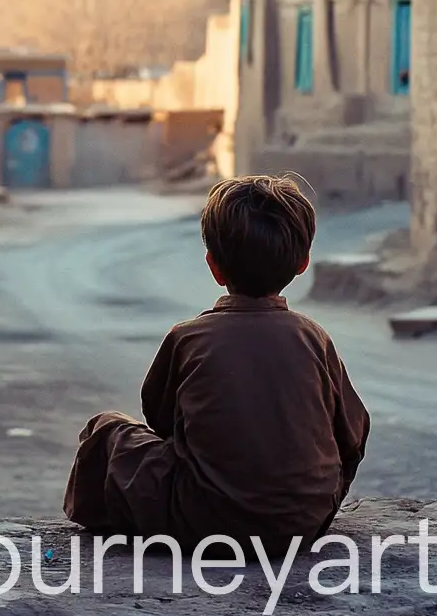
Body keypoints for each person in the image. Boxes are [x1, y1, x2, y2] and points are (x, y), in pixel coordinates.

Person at [63, 175, 370, 547]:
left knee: (107, 432)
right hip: (303, 526)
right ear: (303, 262)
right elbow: (353, 433)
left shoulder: (188, 338)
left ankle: (109, 528)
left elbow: (160, 420)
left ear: (214, 266)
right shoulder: (314, 337)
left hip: (207, 524)